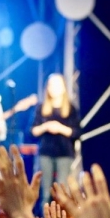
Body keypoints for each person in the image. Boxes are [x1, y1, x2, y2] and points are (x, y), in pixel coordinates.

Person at [30, 73, 82, 205]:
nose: (53, 88)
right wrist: (46, 126)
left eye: (57, 84)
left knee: (62, 191)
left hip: (64, 153)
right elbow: (32, 131)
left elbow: (77, 132)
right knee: (45, 192)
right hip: (46, 153)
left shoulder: (70, 109)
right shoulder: (41, 108)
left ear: (64, 87)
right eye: (51, 85)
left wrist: (60, 128)